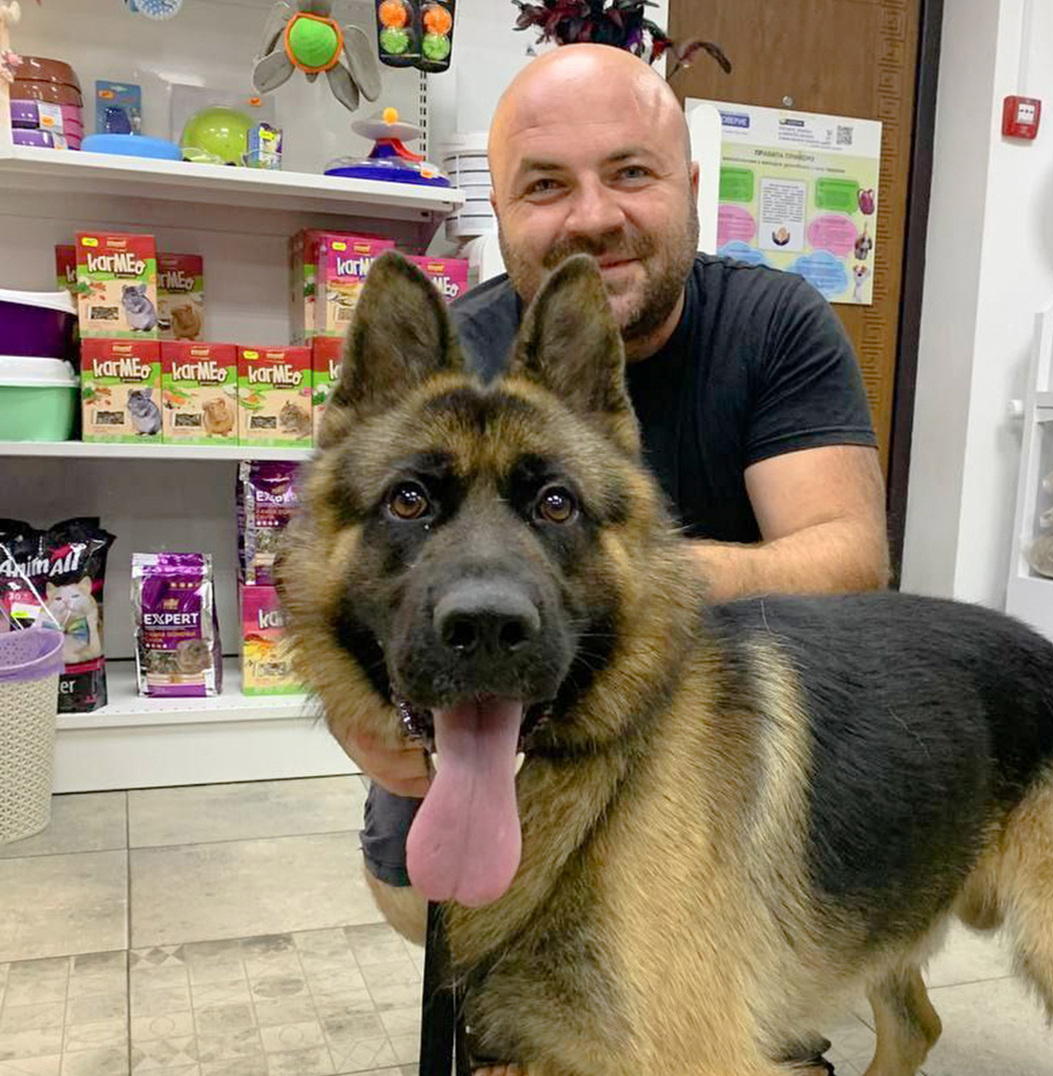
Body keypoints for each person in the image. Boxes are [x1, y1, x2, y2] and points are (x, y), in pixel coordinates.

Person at [344, 42, 889, 1076]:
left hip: (713, 728)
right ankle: (536, 991)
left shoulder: (776, 324)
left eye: (630, 172)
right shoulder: (449, 354)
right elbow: (341, 566)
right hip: (487, 722)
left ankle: (740, 982)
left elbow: (848, 558)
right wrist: (368, 716)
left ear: (689, 186)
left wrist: (630, 587)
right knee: (432, 886)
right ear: (498, 211)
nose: (592, 216)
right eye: (545, 184)